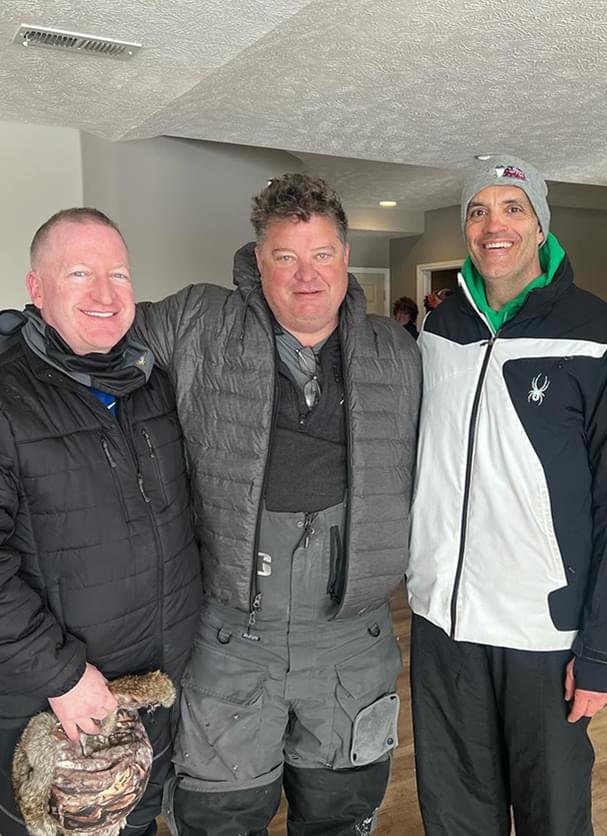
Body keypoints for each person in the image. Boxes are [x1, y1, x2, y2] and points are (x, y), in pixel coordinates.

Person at [131, 173, 421, 836]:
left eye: (321, 255)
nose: (306, 276)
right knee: (218, 821)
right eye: (285, 257)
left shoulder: (398, 354)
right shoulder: (198, 322)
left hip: (353, 644)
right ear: (257, 262)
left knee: (342, 821)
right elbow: (95, 336)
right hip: (231, 644)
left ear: (346, 258)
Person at [406, 156, 607, 835]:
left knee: (551, 813)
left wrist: (603, 650)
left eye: (513, 208)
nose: (495, 226)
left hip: (543, 632)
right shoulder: (437, 334)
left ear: (541, 224)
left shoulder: (604, 339)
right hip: (443, 623)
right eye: (479, 210)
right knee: (454, 810)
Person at [0, 208, 202, 835]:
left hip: (151, 701)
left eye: (118, 274)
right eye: (80, 272)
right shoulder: (8, 398)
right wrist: (60, 675)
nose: (105, 293)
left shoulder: (150, 383)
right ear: (37, 289)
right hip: (58, 712)